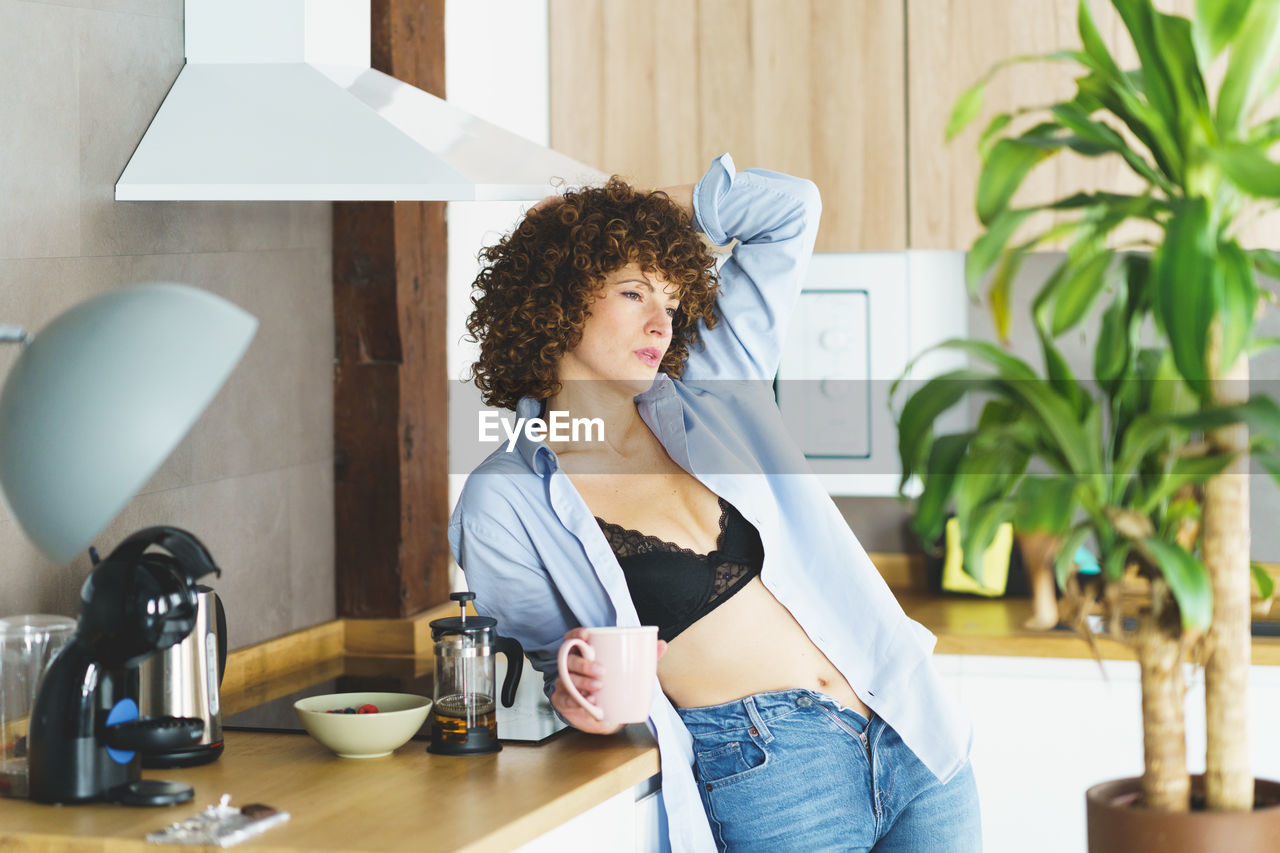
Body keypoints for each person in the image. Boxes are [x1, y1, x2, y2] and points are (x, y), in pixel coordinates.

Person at [449, 154, 981, 852]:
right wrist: (578, 692)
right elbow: (564, 673)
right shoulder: (504, 499)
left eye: (671, 302)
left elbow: (791, 210)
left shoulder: (713, 384)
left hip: (907, 725)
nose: (661, 324)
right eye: (635, 292)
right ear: (560, 292)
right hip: (773, 776)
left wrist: (637, 214)